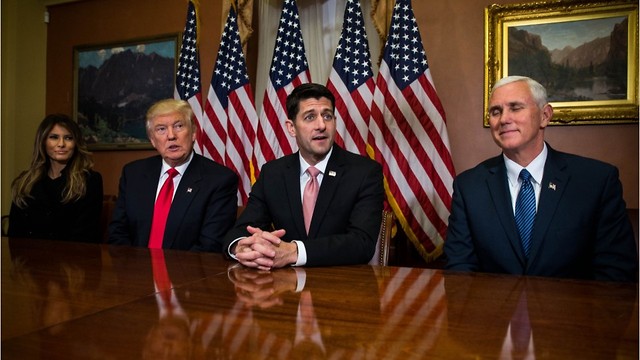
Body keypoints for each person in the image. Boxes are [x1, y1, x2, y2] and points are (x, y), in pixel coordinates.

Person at [444, 75, 638, 282]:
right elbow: (459, 273)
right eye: (495, 111)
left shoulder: (596, 181)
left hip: (573, 312)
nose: (503, 119)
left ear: (545, 116)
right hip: (493, 312)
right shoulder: (469, 187)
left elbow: (616, 274)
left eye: (515, 108)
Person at [223, 83, 384, 269]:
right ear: (291, 128)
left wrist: (294, 251)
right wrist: (242, 247)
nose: (321, 125)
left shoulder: (364, 172)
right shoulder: (273, 173)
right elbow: (241, 229)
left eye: (327, 116)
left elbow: (361, 243)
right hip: (284, 290)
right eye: (310, 117)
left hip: (341, 286)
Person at [108, 99, 238, 252]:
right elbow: (117, 233)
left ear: (194, 133)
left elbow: (210, 245)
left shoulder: (219, 180)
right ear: (152, 140)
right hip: (136, 271)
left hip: (188, 272)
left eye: (179, 126)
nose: (171, 136)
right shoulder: (133, 174)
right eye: (161, 129)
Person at [8, 114, 103, 243]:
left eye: (68, 138)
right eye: (54, 137)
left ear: (76, 143)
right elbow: (14, 235)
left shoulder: (90, 180)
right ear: (42, 141)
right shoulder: (24, 182)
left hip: (72, 259)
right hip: (28, 259)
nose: (61, 144)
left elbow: (86, 236)